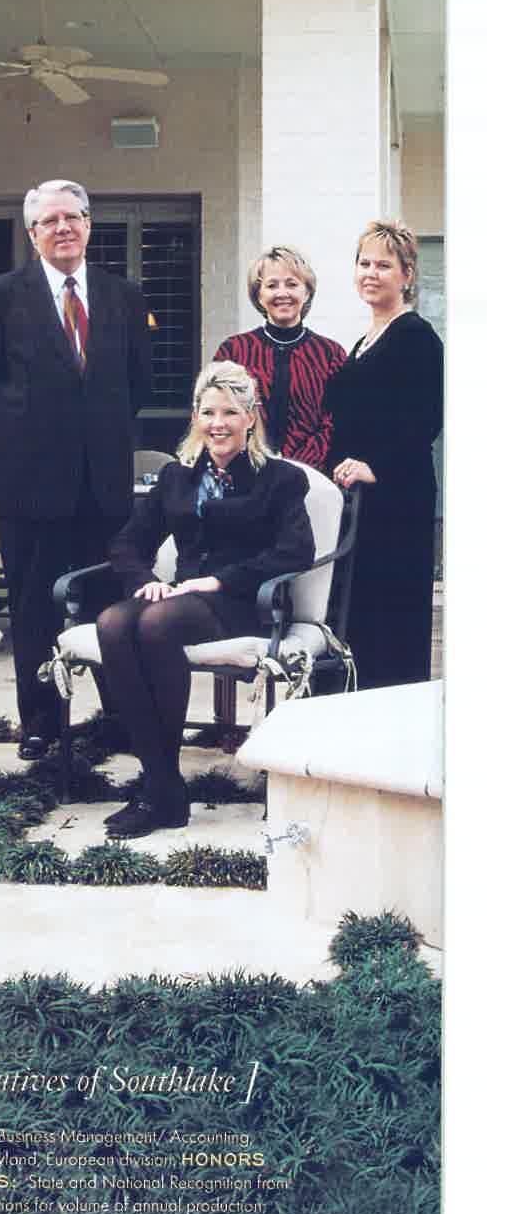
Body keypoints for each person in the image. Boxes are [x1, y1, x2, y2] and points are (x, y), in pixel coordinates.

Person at [0, 178, 151, 762]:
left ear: (89, 224)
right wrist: (27, 429)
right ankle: (40, 722)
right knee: (35, 606)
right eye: (49, 220)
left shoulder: (123, 296)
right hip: (30, 482)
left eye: (73, 217)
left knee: (110, 603)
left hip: (103, 483)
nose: (63, 228)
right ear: (31, 232)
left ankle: (118, 716)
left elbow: (139, 383)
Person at [97, 361, 315, 838]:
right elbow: (127, 543)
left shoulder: (279, 479)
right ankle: (162, 785)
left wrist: (219, 582)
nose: (219, 423)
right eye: (209, 412)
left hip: (244, 602)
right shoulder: (178, 477)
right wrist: (145, 580)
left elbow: (296, 551)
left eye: (230, 412)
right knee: (112, 622)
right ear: (196, 417)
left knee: (155, 625)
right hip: (181, 599)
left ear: (251, 417)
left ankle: (159, 793)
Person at [323, 219, 444, 690]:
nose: (371, 273)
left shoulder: (416, 336)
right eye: (364, 263)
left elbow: (425, 418)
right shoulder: (364, 341)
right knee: (360, 619)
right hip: (360, 499)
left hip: (397, 499)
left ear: (407, 274)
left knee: (391, 620)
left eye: (384, 265)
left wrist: (377, 467)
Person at [212, 246, 346, 470]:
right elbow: (217, 414)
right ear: (258, 295)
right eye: (272, 285)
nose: (282, 293)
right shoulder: (233, 351)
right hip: (245, 473)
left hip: (312, 475)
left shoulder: (330, 354)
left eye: (292, 284)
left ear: (307, 292)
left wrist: (297, 466)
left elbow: (337, 420)